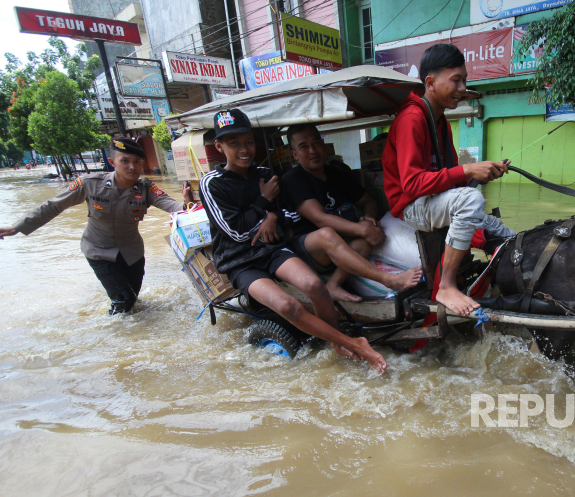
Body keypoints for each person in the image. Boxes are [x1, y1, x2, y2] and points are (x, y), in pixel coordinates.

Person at [198, 109, 387, 372]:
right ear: (220, 146)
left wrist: (273, 215)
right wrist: (264, 204)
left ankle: (336, 341)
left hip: (271, 249)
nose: (244, 150)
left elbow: (287, 214)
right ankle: (351, 343)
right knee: (287, 305)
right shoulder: (211, 183)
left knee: (314, 284)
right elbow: (237, 232)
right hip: (240, 260)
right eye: (234, 143)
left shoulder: (265, 173)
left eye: (248, 142)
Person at [383, 43, 515, 316]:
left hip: (433, 201)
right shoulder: (412, 119)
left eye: (464, 80)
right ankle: (446, 286)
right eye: (456, 80)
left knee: (505, 234)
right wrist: (468, 171)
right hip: (411, 206)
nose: (462, 88)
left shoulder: (440, 121)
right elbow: (412, 185)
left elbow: (451, 180)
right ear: (430, 82)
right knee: (470, 200)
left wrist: (483, 173)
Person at [0, 137, 196, 315]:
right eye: (125, 161)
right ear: (112, 162)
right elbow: (54, 205)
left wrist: (187, 202)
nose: (132, 167)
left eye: (137, 161)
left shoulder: (145, 188)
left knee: (132, 301)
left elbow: (172, 206)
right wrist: (17, 227)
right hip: (99, 251)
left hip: (132, 254)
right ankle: (116, 335)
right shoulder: (89, 184)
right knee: (123, 302)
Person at [280, 123, 422, 302]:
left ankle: (333, 285)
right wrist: (361, 229)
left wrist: (369, 220)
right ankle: (388, 279)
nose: (312, 151)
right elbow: (320, 219)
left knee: (369, 237)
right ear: (295, 154)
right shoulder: (292, 180)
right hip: (311, 248)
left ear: (323, 145)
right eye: (304, 147)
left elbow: (368, 200)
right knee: (327, 234)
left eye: (316, 143)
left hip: (343, 240)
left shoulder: (336, 173)